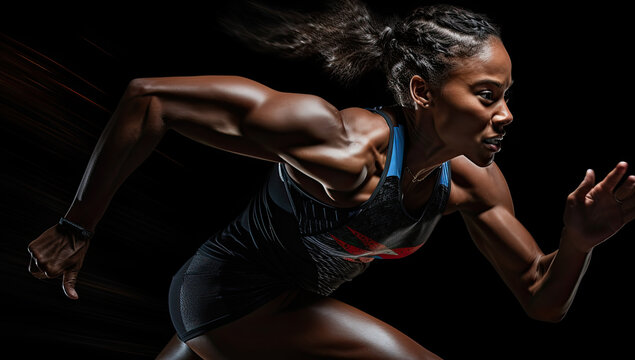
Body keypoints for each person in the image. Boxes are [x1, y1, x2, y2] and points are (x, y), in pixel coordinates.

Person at [26, 1, 634, 359]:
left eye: (506, 97)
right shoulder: (343, 147)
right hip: (227, 298)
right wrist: (76, 224)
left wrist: (577, 242)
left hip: (287, 306)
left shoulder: (473, 183)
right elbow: (149, 100)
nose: (505, 115)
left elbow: (541, 299)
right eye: (485, 96)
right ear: (422, 92)